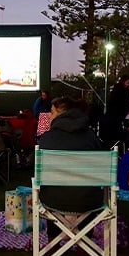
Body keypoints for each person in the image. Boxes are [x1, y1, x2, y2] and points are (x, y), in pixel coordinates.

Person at [39, 96, 106, 244]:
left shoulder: (46, 139)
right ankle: (85, 241)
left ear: (60, 113)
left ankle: (54, 240)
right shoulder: (91, 137)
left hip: (53, 199)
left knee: (53, 189)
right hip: (89, 200)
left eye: (52, 112)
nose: (49, 116)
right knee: (85, 190)